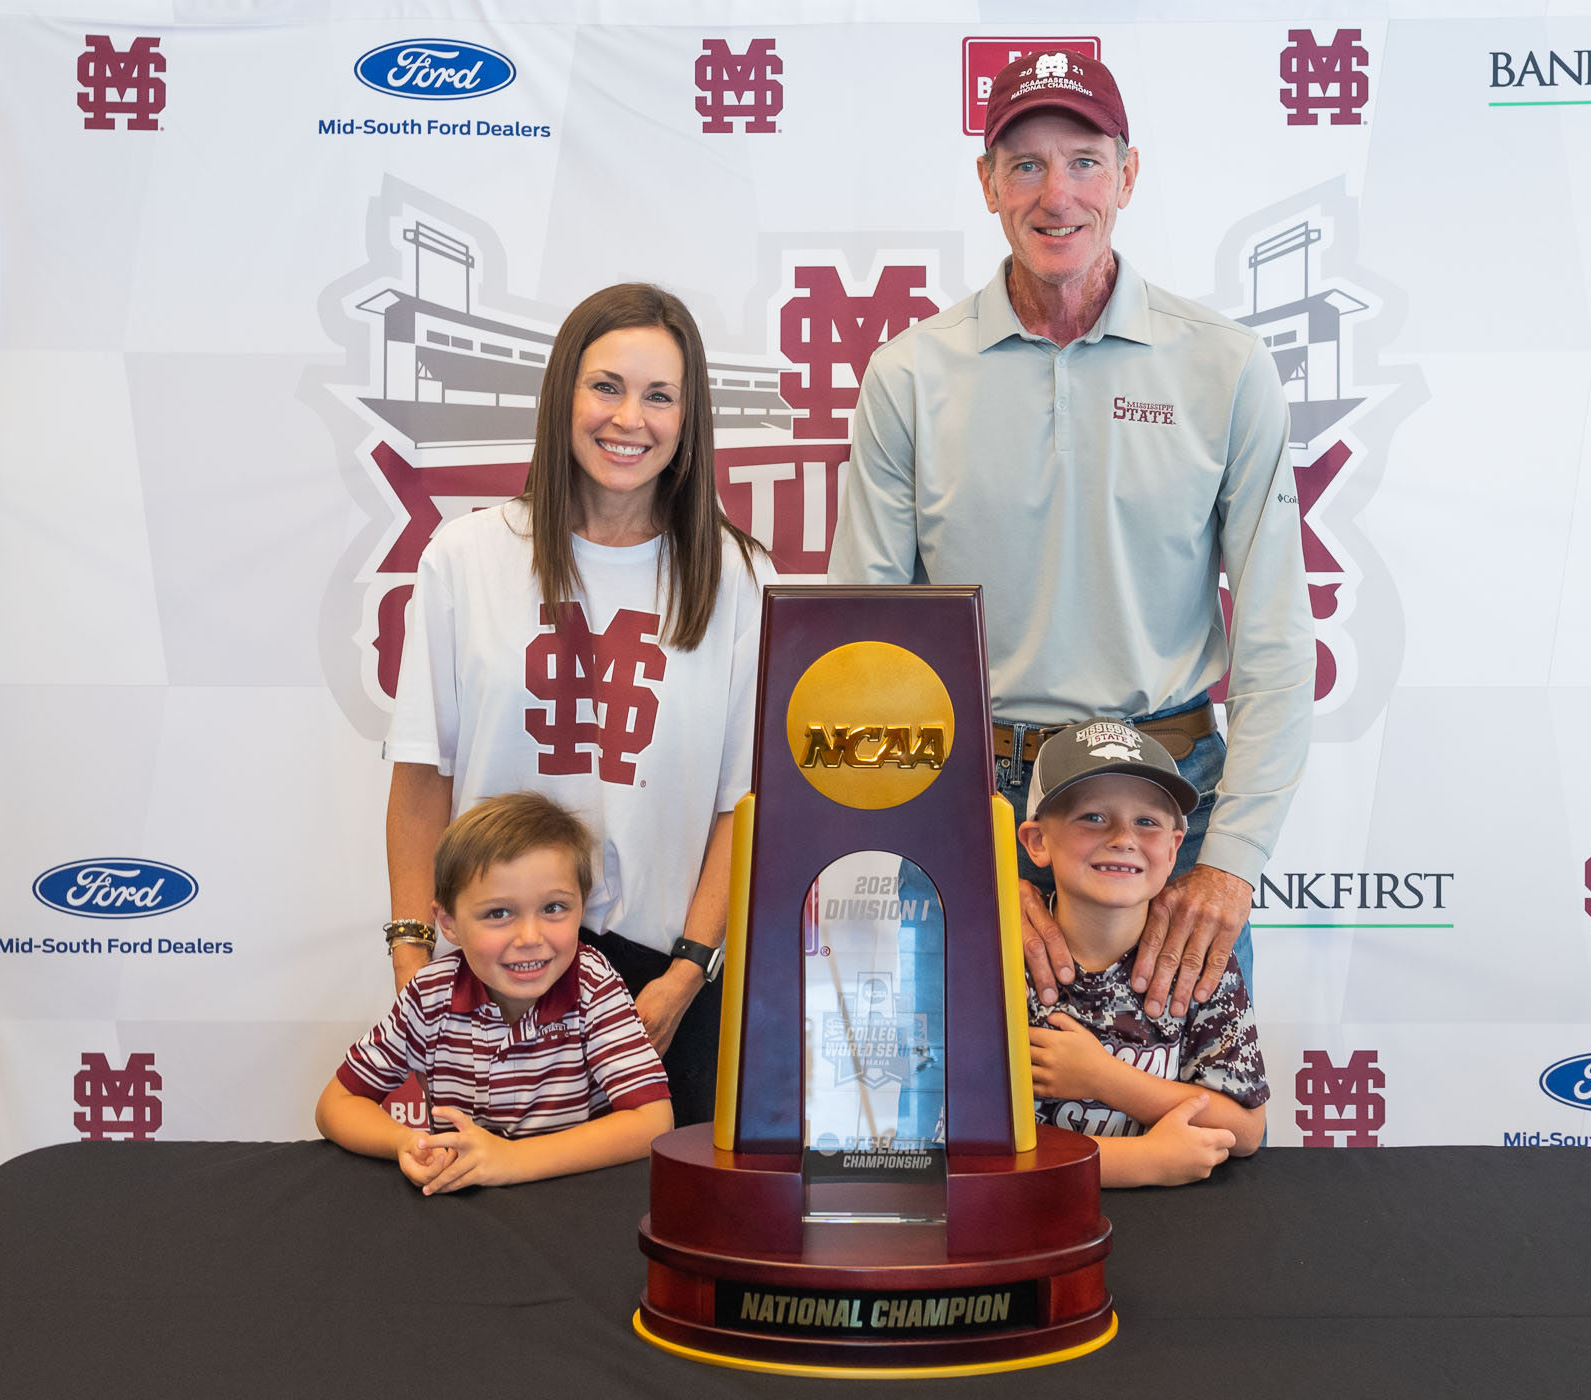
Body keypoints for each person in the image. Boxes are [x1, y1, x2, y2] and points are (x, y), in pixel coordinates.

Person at [827, 48, 1313, 1024]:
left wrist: (1229, 861)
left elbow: (1274, 639)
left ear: (1129, 174)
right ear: (988, 183)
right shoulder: (912, 374)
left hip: (1163, 805)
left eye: (1085, 160)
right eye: (1028, 164)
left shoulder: (1222, 366)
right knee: (962, 1143)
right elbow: (865, 653)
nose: (1059, 194)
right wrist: (955, 853)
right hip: (975, 800)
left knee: (1181, 1130)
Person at [381, 283, 764, 1127]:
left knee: (655, 1231)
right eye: (607, 387)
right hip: (493, 975)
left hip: (663, 982)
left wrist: (686, 975)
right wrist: (414, 959)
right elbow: (421, 777)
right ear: (564, 395)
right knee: (486, 1227)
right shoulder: (468, 558)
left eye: (660, 395)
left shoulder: (739, 578)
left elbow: (744, 806)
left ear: (689, 417)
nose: (630, 418)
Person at [316, 793, 673, 1192]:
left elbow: (653, 1122)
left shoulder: (593, 984)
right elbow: (335, 1105)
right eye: (498, 913)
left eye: (554, 908)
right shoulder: (430, 995)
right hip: (464, 1209)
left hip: (573, 1201)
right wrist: (408, 1143)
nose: (530, 937)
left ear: (582, 906)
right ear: (449, 924)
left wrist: (512, 1160)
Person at [1016, 723, 1267, 1187]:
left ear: (1175, 848)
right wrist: (1142, 1160)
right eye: (1092, 816)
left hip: (1178, 1226)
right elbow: (969, 1149)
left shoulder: (1197, 957)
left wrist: (1102, 1077)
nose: (1123, 838)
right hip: (1037, 1224)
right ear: (1037, 842)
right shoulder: (1004, 963)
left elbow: (1247, 1130)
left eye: (1147, 822)